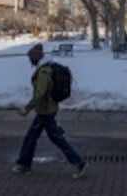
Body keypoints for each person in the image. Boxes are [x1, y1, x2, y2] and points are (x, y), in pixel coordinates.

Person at [13, 43, 88, 179]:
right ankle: (23, 164)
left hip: (46, 110)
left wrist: (27, 108)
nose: (30, 61)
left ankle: (79, 162)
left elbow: (40, 93)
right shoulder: (47, 68)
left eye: (31, 58)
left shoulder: (43, 71)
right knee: (31, 137)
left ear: (35, 58)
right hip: (46, 109)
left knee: (56, 138)